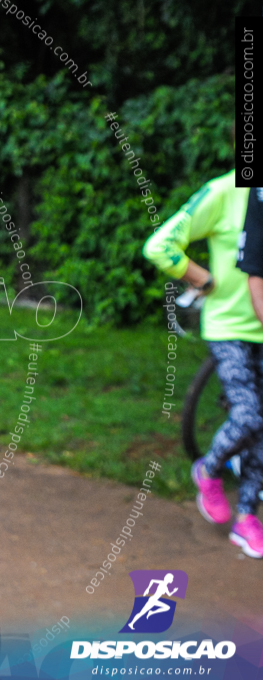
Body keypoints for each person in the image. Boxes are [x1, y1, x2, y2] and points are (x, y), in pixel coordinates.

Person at [143, 170, 263, 558]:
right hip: (229, 327)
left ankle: (247, 519)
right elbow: (160, 246)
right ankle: (209, 469)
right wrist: (204, 280)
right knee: (248, 416)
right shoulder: (224, 192)